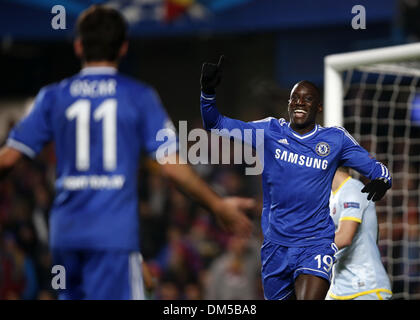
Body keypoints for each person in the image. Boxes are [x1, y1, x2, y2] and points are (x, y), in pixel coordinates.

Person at [0, 6, 254, 300]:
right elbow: (171, 166)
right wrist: (217, 204)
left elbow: (7, 159)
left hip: (66, 236)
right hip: (112, 237)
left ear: (79, 45)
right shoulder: (139, 96)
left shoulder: (52, 97)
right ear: (123, 47)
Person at [199, 56, 392, 300]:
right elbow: (215, 123)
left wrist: (383, 179)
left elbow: (375, 168)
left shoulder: (335, 139)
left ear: (318, 107)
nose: (300, 102)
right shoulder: (269, 131)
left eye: (307, 98)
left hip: (315, 244)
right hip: (275, 247)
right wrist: (207, 93)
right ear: (289, 103)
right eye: (295, 98)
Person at [326, 167, 392, 300]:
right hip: (339, 287)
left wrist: (307, 248)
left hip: (366, 287)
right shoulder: (331, 196)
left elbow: (344, 237)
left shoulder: (353, 189)